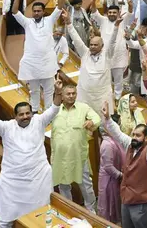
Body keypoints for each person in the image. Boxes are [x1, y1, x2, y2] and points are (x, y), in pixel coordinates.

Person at [0, 81, 62, 228]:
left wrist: (57, 92)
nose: (25, 117)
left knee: (40, 217)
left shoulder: (39, 121)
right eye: (21, 114)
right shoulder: (6, 127)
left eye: (27, 113)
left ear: (31, 113)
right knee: (5, 222)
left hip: (38, 180)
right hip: (13, 183)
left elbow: (54, 109)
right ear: (15, 116)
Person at [101, 101, 147, 228]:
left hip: (141, 202)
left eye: (138, 135)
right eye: (133, 134)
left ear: (146, 138)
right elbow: (117, 133)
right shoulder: (130, 144)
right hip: (126, 197)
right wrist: (108, 119)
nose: (134, 137)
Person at [13, 0, 64, 113]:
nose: (36, 13)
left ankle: (48, 113)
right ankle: (34, 112)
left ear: (43, 12)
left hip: (47, 62)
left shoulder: (49, 20)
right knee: (34, 90)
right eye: (34, 11)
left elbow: (60, 7)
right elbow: (14, 11)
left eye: (39, 11)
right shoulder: (27, 23)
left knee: (49, 90)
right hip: (32, 63)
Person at [51, 84, 101, 213]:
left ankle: (91, 211)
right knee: (64, 185)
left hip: (79, 155)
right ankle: (69, 211)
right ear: (61, 95)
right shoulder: (54, 110)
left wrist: (91, 122)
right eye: (68, 94)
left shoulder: (83, 108)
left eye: (74, 93)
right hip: (60, 157)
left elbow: (97, 118)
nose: (72, 96)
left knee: (85, 184)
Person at [62, 7, 119, 113]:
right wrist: (69, 23)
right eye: (91, 44)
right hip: (85, 95)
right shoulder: (85, 53)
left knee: (105, 123)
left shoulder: (107, 54)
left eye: (95, 45)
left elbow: (112, 42)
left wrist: (116, 27)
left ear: (102, 46)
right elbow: (76, 38)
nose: (92, 47)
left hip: (102, 95)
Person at [90, 0, 134, 101]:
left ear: (118, 13)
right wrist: (93, 2)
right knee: (105, 80)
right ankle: (107, 99)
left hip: (119, 56)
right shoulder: (103, 20)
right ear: (107, 13)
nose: (112, 14)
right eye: (110, 12)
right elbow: (94, 12)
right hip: (105, 56)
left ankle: (117, 99)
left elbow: (130, 12)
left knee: (118, 81)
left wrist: (130, 4)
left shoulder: (122, 21)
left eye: (114, 12)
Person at [98, 114, 123, 224]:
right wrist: (121, 175)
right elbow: (108, 167)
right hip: (108, 180)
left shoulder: (114, 139)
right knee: (109, 204)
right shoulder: (107, 144)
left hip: (115, 177)